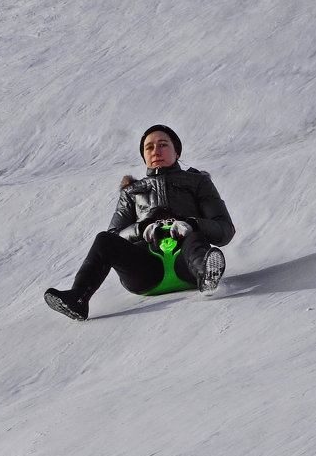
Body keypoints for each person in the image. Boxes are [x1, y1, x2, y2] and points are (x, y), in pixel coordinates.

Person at [44, 125, 235, 320]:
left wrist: (192, 224)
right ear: (144, 156)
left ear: (177, 152)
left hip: (187, 263)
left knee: (194, 237)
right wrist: (141, 229)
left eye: (163, 145)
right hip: (146, 271)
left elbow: (224, 229)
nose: (156, 151)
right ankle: (77, 299)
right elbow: (114, 235)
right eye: (149, 147)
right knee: (103, 240)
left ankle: (207, 275)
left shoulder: (198, 182)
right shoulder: (131, 192)